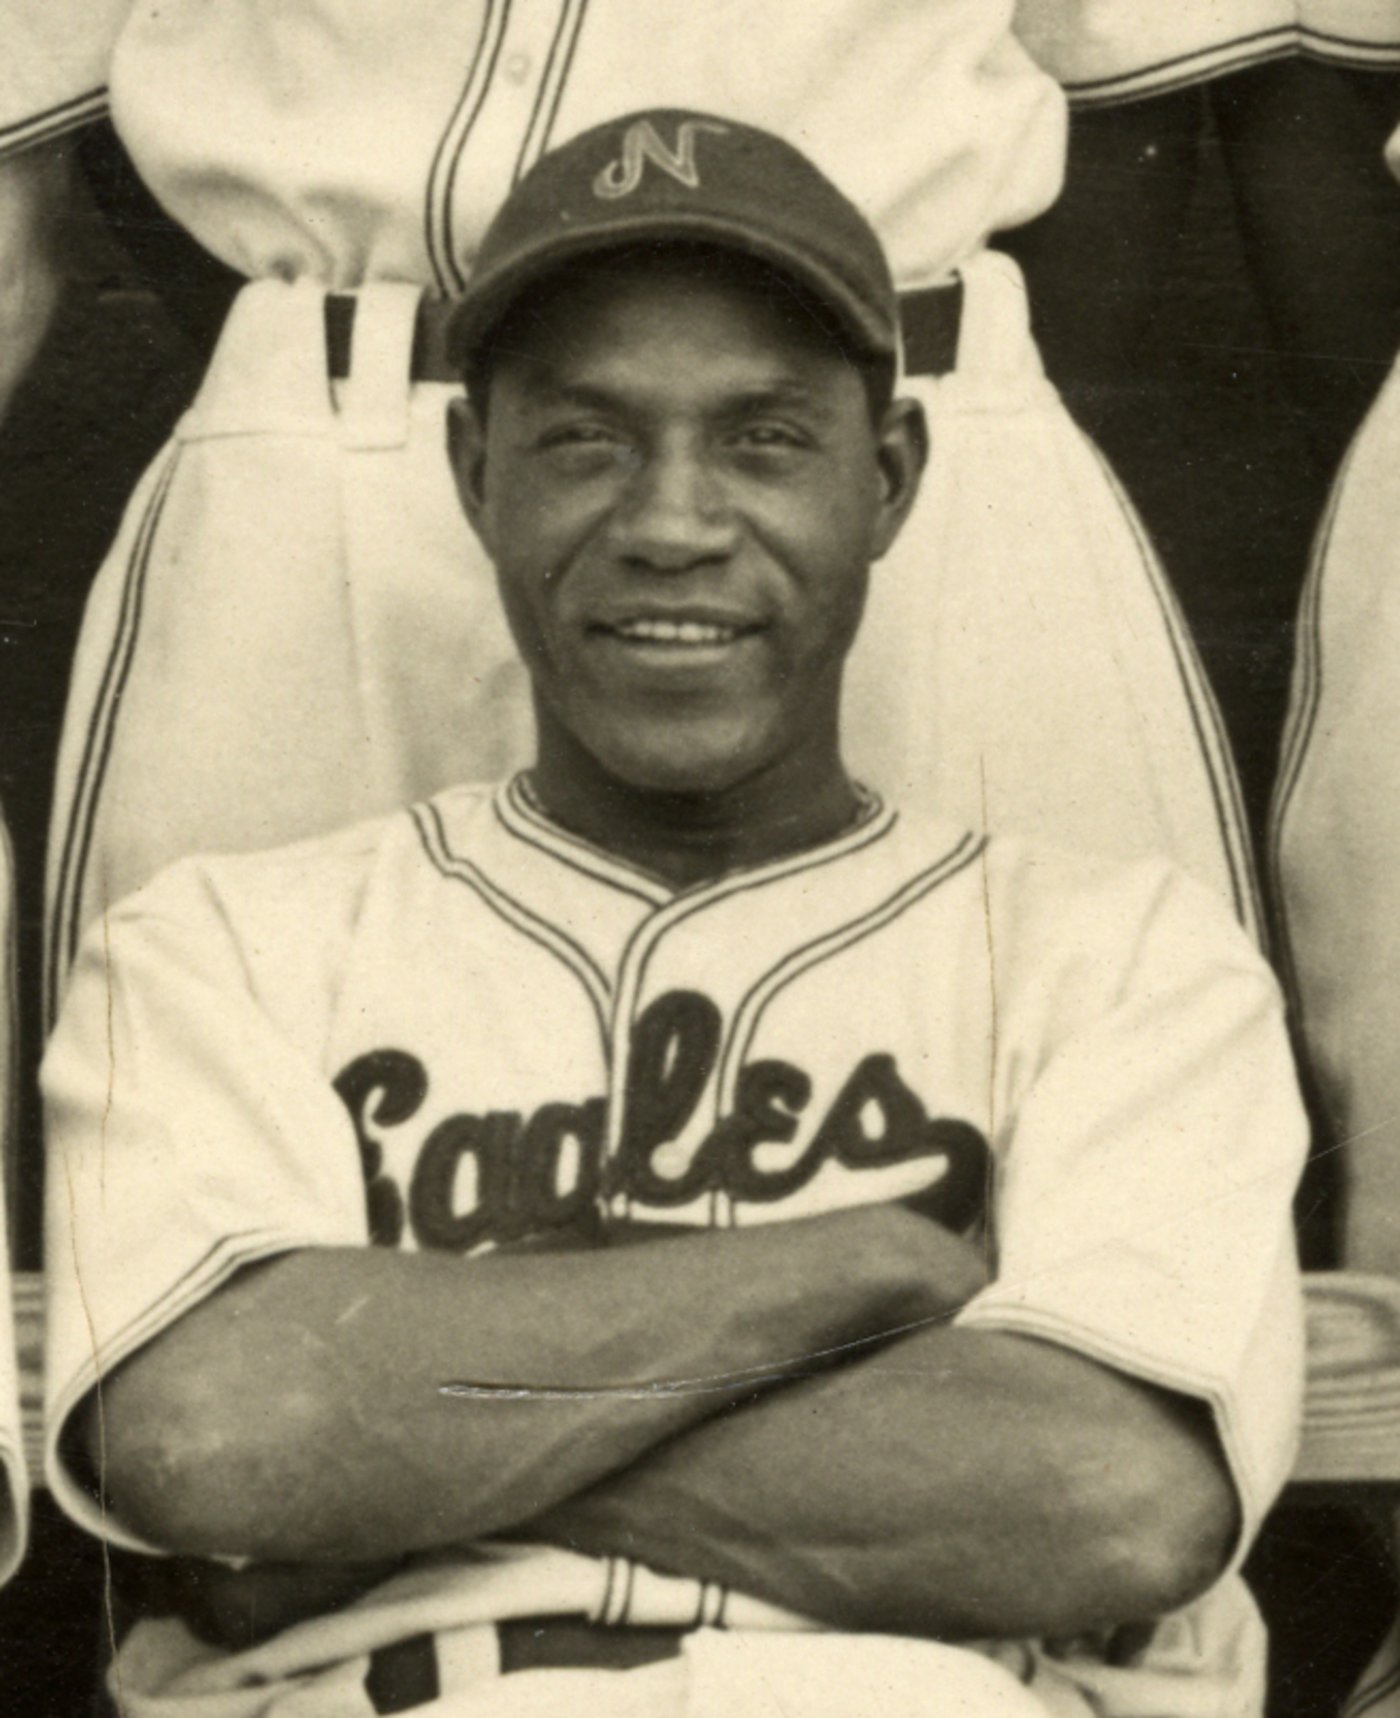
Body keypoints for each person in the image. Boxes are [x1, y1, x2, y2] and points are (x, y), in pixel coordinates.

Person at [42, 111, 1308, 1718]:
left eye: (766, 438)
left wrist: (367, 1478)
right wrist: (860, 1268)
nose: (672, 520)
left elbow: (1108, 1496)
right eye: (586, 438)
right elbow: (215, 1439)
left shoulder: (1127, 955)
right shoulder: (222, 944)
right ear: (472, 471)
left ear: (890, 478)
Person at [0, 0, 1257, 1021]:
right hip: (331, 449)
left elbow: (1129, 95)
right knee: (238, 1126)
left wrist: (909, 386)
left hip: (889, 426)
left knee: (1015, 1126)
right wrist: (331, 339)